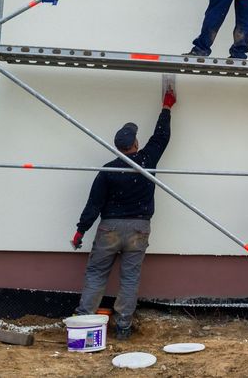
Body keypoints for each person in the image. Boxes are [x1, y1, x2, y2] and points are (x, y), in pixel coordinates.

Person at [70, 89, 175, 340]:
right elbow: (161, 137)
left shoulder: (107, 170)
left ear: (117, 148)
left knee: (96, 274)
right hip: (139, 228)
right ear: (135, 145)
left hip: (110, 228)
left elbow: (93, 204)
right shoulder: (146, 159)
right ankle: (123, 327)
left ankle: (83, 320)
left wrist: (80, 230)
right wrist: (166, 107)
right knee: (130, 278)